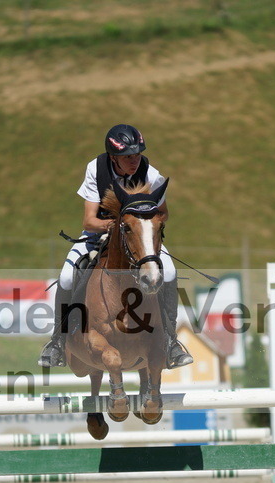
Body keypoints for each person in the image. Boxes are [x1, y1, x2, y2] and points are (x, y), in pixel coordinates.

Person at [38, 123, 193, 370]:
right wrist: (116, 226)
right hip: (98, 234)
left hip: (139, 240)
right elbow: (89, 220)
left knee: (170, 272)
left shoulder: (151, 173)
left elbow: (163, 213)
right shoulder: (96, 169)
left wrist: (143, 227)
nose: (134, 160)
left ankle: (170, 341)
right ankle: (57, 341)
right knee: (67, 277)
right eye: (127, 156)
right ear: (113, 157)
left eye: (137, 154)